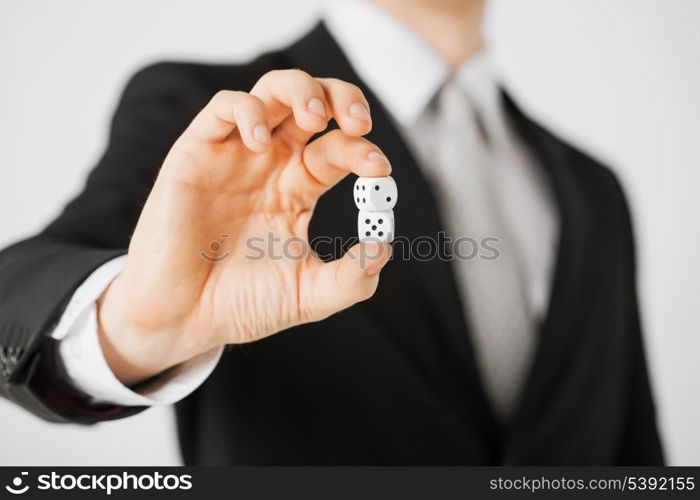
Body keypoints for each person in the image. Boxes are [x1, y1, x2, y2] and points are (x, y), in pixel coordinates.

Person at [0, 0, 663, 464]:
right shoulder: (214, 117)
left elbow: (634, 448)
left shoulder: (593, 188)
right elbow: (16, 294)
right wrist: (136, 326)